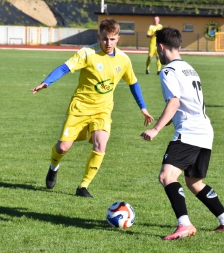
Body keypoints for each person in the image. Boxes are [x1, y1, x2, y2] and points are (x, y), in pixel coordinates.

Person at [30, 18, 154, 198]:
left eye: (112, 39)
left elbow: (133, 83)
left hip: (102, 110)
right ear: (99, 37)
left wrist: (143, 107)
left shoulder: (124, 60)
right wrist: (46, 82)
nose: (108, 43)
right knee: (63, 147)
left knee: (100, 144)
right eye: (105, 39)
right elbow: (65, 68)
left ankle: (83, 187)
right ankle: (53, 166)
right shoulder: (87, 53)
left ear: (118, 38)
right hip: (79, 108)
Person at [140, 27, 224, 240]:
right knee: (194, 182)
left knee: (167, 176)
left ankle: (184, 224)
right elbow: (185, 104)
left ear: (161, 47)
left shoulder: (168, 71)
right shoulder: (189, 68)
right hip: (205, 131)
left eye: (158, 49)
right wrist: (163, 122)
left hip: (189, 133)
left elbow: (175, 102)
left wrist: (156, 129)